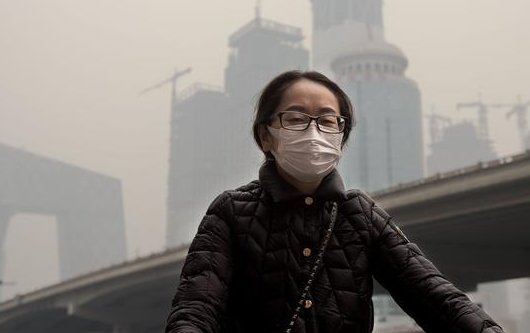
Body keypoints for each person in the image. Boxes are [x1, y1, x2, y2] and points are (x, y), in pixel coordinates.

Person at [165, 70, 505, 333]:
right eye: (296, 118)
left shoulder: (361, 214)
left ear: (341, 138)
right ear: (266, 135)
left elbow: (434, 297)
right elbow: (197, 306)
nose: (314, 132)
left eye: (328, 120)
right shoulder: (231, 212)